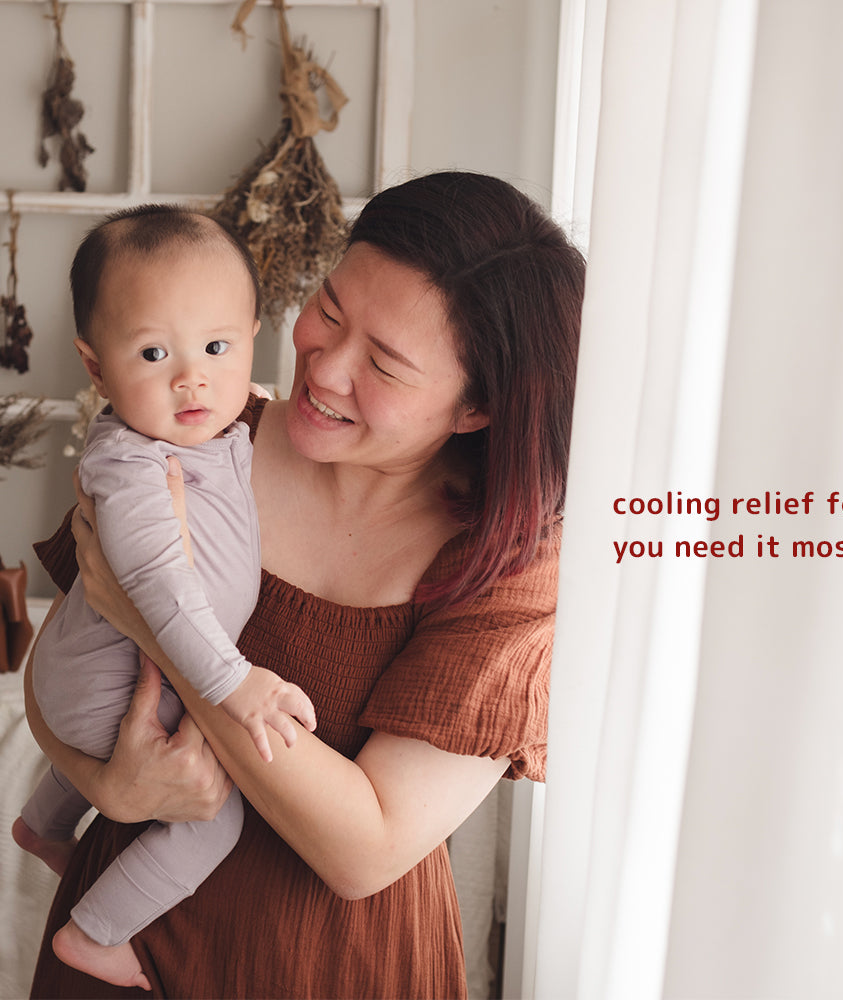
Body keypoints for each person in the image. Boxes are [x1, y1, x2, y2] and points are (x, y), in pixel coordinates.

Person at [24, 171, 585, 999]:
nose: (324, 370)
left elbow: (364, 848)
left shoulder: (508, 566)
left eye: (385, 366)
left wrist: (160, 637)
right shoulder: (202, 438)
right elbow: (63, 669)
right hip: (116, 952)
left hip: (339, 970)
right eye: (329, 308)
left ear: (476, 408)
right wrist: (104, 782)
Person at [12, 205, 316, 992]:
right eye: (153, 353)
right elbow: (157, 586)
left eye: (218, 347)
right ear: (95, 365)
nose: (193, 377)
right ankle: (97, 933)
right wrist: (233, 682)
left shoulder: (220, 432)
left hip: (90, 675)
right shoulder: (132, 468)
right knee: (219, 815)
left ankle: (42, 824)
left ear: (252, 337)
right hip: (99, 679)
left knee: (125, 731)